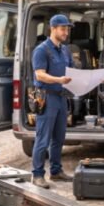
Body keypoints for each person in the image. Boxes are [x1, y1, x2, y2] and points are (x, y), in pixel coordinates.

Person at [31, 14, 74, 188]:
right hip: (46, 97)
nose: (66, 32)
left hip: (61, 97)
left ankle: (56, 171)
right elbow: (39, 74)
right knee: (43, 138)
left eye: (67, 29)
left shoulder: (64, 50)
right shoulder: (41, 50)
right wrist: (59, 80)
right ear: (53, 29)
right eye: (63, 29)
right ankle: (37, 175)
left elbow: (70, 71)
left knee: (59, 137)